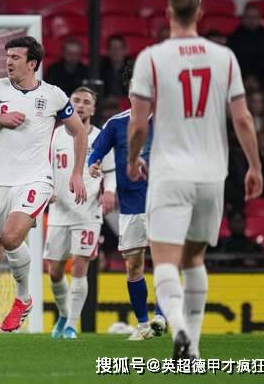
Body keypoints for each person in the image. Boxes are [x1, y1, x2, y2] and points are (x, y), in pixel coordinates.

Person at [127, 0, 263, 359]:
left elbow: (137, 125)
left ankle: (179, 328)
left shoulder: (151, 58)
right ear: (200, 13)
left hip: (170, 173)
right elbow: (242, 118)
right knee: (194, 260)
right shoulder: (225, 57)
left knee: (165, 261)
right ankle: (194, 349)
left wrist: (132, 159)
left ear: (168, 13)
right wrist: (254, 165)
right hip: (211, 175)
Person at [0, 36, 88, 346]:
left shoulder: (53, 95)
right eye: (8, 56)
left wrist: (77, 173)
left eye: (16, 57)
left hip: (35, 180)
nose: (9, 61)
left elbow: (79, 132)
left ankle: (23, 298)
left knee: (11, 236)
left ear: (32, 63)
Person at [88, 64, 166, 341]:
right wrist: (93, 165)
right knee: (134, 266)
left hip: (163, 204)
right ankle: (143, 325)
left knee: (165, 262)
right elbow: (95, 152)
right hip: (131, 206)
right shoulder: (116, 124)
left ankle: (161, 316)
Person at [44, 86, 116, 340]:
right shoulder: (54, 134)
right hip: (59, 211)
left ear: (93, 109)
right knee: (54, 272)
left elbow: (111, 172)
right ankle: (64, 314)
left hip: (88, 212)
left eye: (86, 102)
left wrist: (110, 191)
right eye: (76, 100)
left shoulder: (101, 137)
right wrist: (47, 187)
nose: (81, 105)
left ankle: (72, 325)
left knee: (80, 266)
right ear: (68, 104)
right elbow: (44, 166)